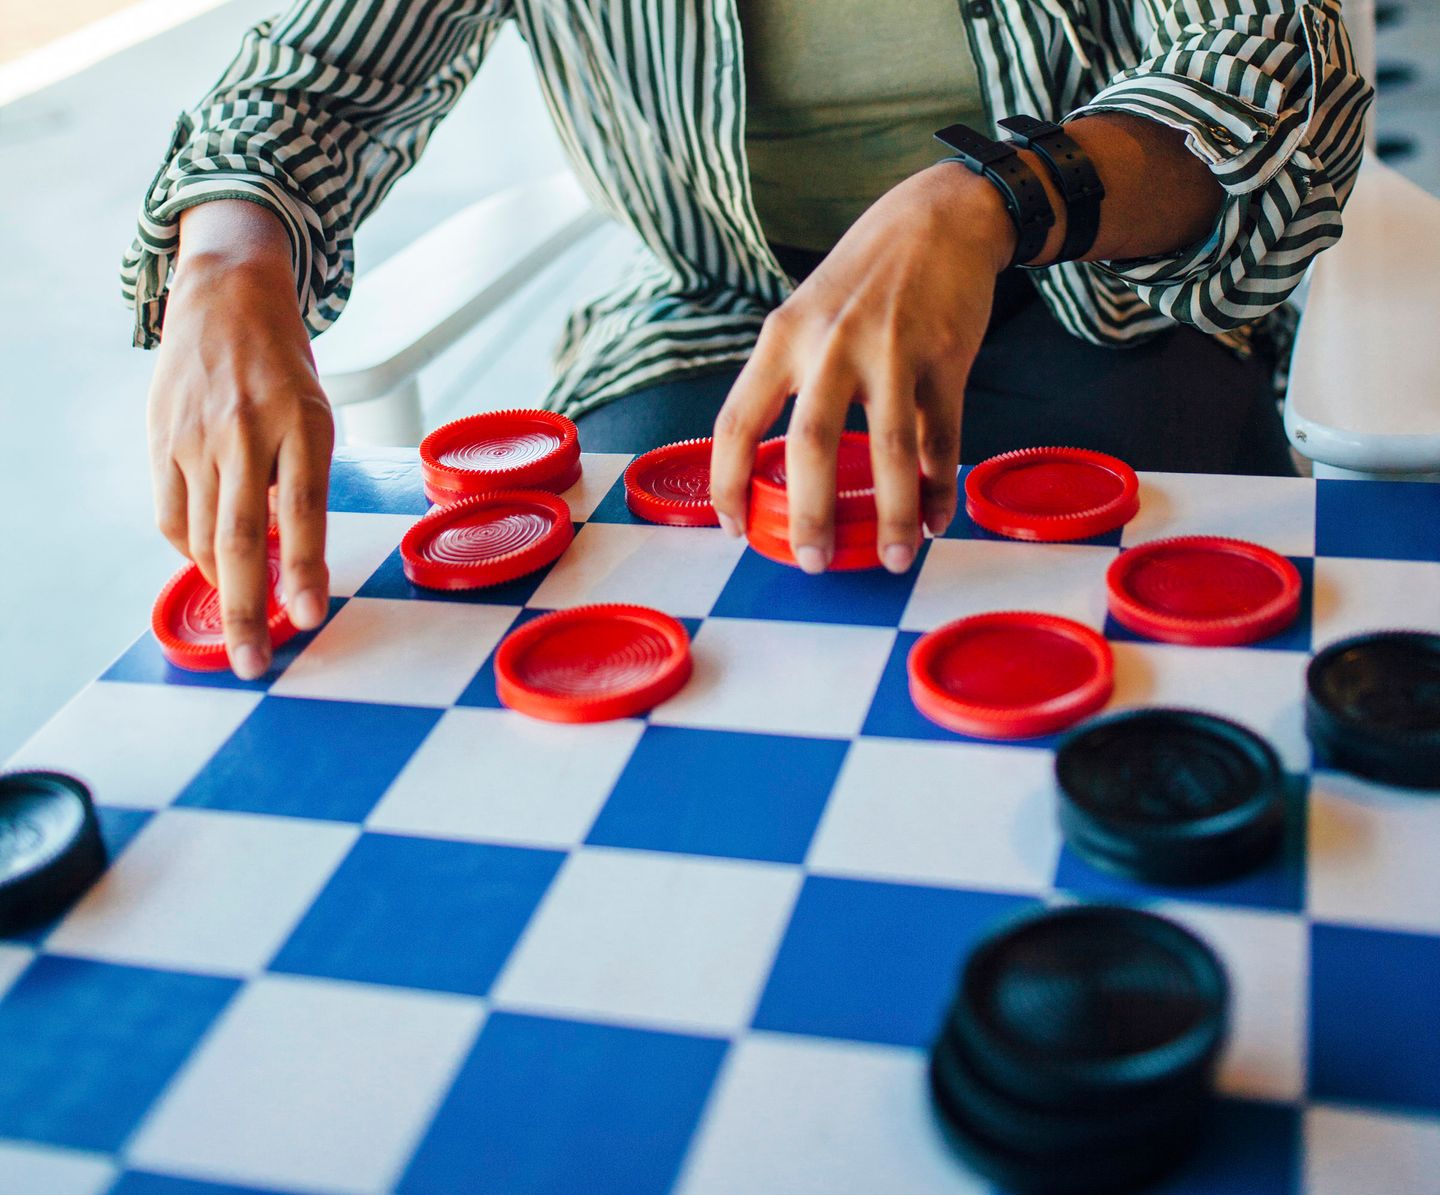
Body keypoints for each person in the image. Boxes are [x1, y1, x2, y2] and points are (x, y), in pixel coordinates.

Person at [123, 0, 1371, 679]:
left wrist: (987, 199)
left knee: (1169, 664)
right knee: (613, 631)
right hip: (720, 314)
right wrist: (227, 262)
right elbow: (314, 84)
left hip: (1099, 297)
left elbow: (1268, 56)